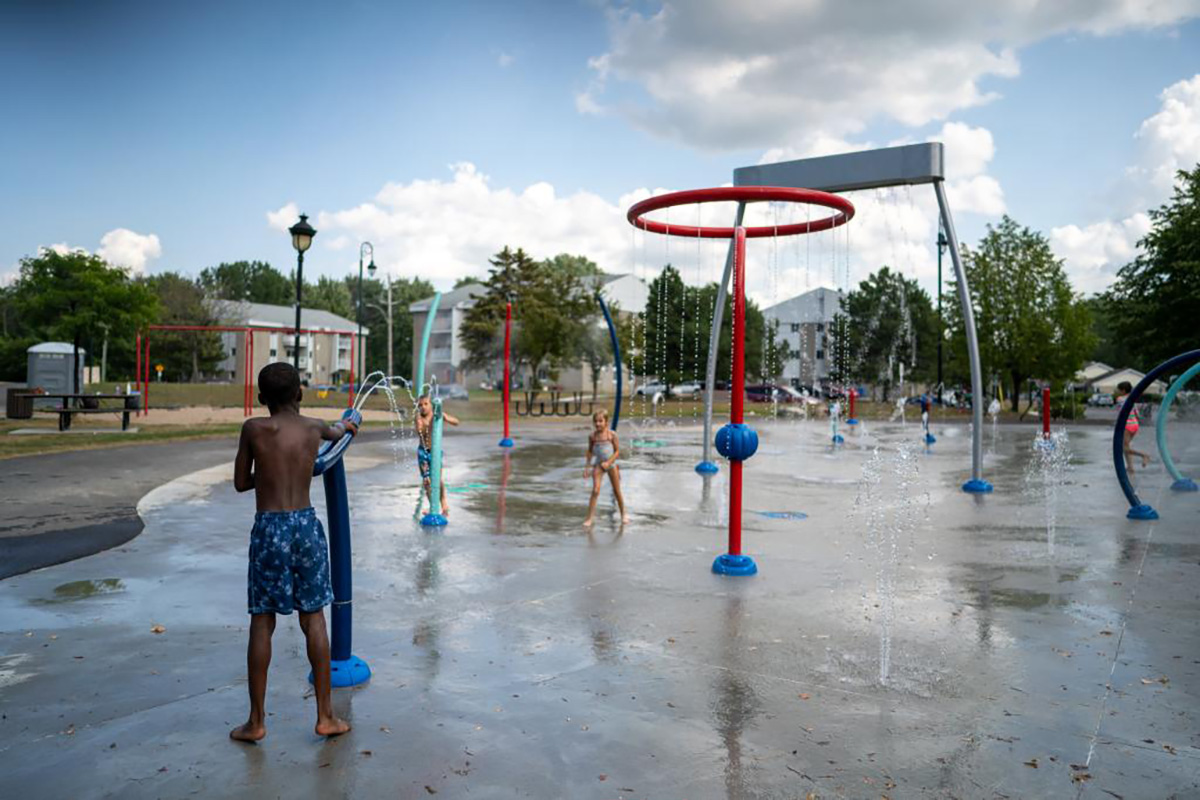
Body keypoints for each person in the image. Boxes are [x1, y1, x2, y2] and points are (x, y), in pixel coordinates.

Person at [230, 362, 358, 743]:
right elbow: (339, 431)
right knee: (314, 618)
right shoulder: (314, 427)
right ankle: (325, 716)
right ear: (300, 393)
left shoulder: (253, 429)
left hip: (269, 528)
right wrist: (349, 425)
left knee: (262, 620)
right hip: (305, 527)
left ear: (261, 398)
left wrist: (270, 472)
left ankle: (256, 721)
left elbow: (241, 482)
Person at [583, 408, 630, 527]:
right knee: (595, 490)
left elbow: (617, 452)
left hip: (611, 465)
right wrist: (587, 467)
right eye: (596, 421)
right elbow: (590, 452)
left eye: (600, 421)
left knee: (617, 491)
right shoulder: (592, 436)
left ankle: (623, 514)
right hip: (599, 465)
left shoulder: (611, 435)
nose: (598, 424)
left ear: (606, 422)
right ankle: (589, 518)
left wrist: (609, 462)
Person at [416, 393, 459, 516]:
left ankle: (444, 503)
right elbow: (419, 432)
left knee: (437, 478)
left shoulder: (437, 415)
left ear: (431, 405)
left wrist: (445, 418)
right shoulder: (419, 417)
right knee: (426, 480)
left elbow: (456, 422)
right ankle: (433, 506)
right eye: (420, 405)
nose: (423, 407)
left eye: (426, 404)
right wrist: (423, 424)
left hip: (435, 451)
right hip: (423, 452)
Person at [1116, 380, 1151, 474]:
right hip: (1135, 424)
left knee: (1124, 448)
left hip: (1127, 425)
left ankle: (1144, 455)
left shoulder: (1120, 399)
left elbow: (1121, 413)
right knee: (1126, 447)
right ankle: (1130, 467)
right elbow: (1137, 414)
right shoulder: (1132, 399)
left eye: (1119, 390)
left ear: (1123, 390)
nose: (1117, 392)